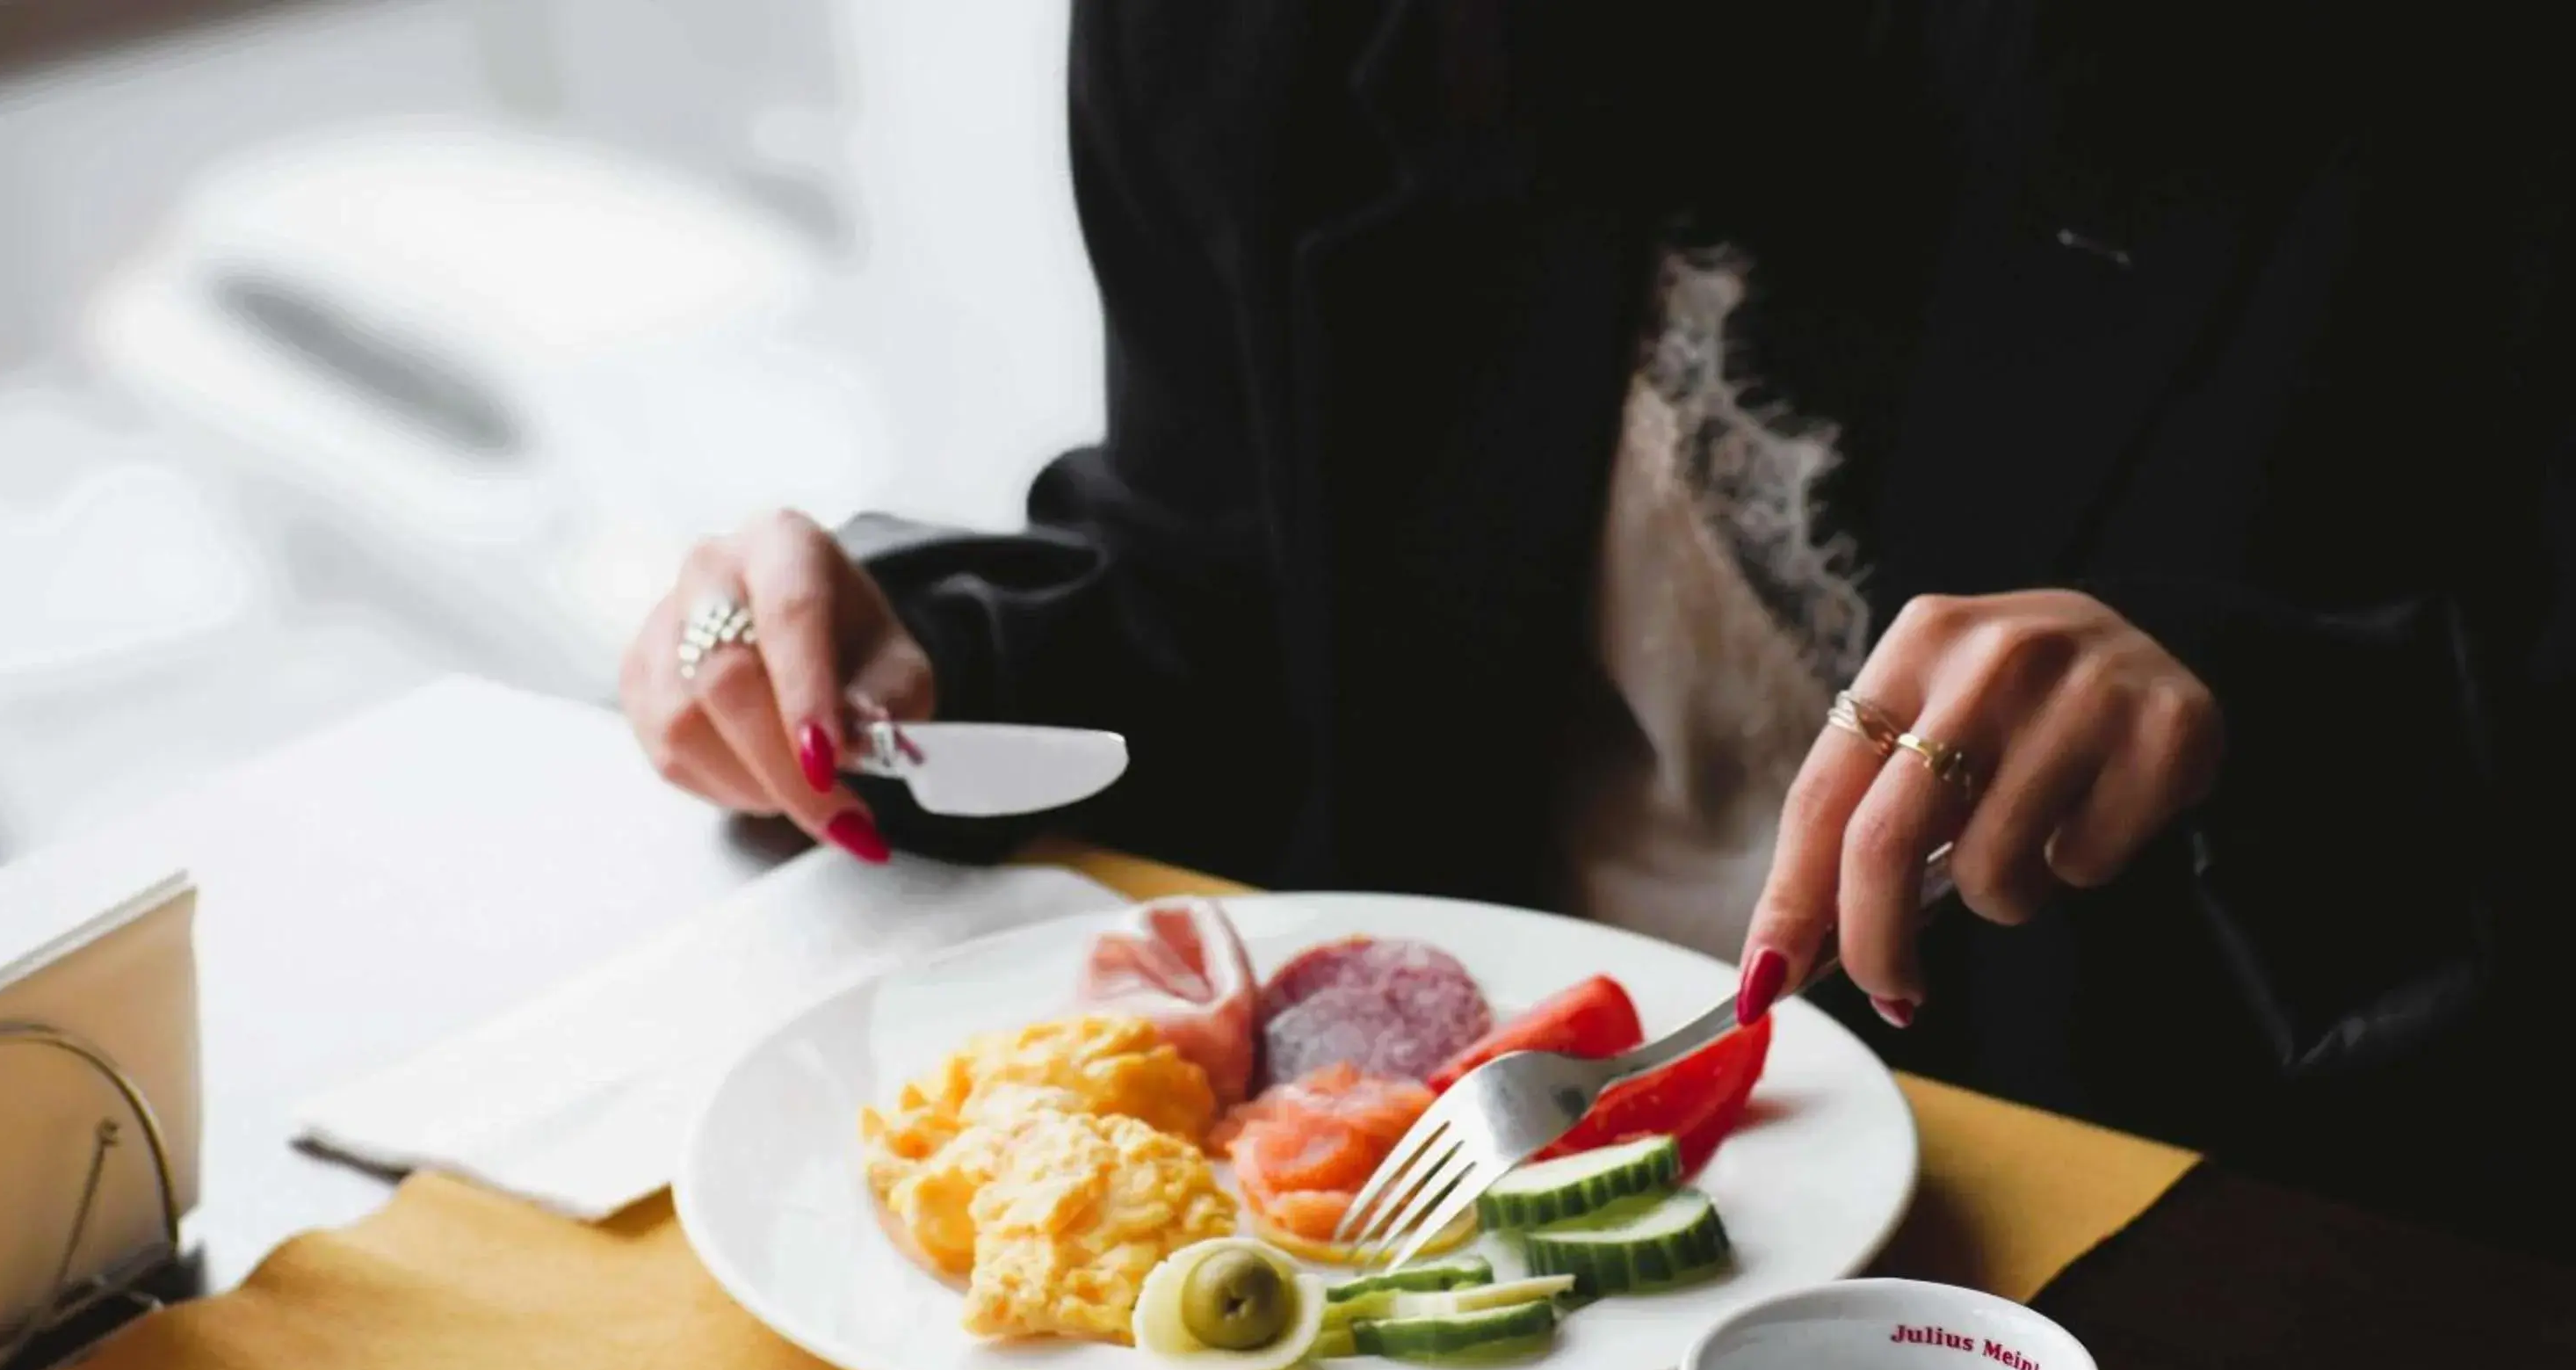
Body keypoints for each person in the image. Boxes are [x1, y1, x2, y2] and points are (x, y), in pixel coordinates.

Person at [623, 1, 2572, 1243]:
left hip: (2146, 1264)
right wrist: (886, 667)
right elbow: (1231, 606)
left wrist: (2250, 708)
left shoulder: (2426, 88)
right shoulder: (1252, 41)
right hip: (1441, 1218)